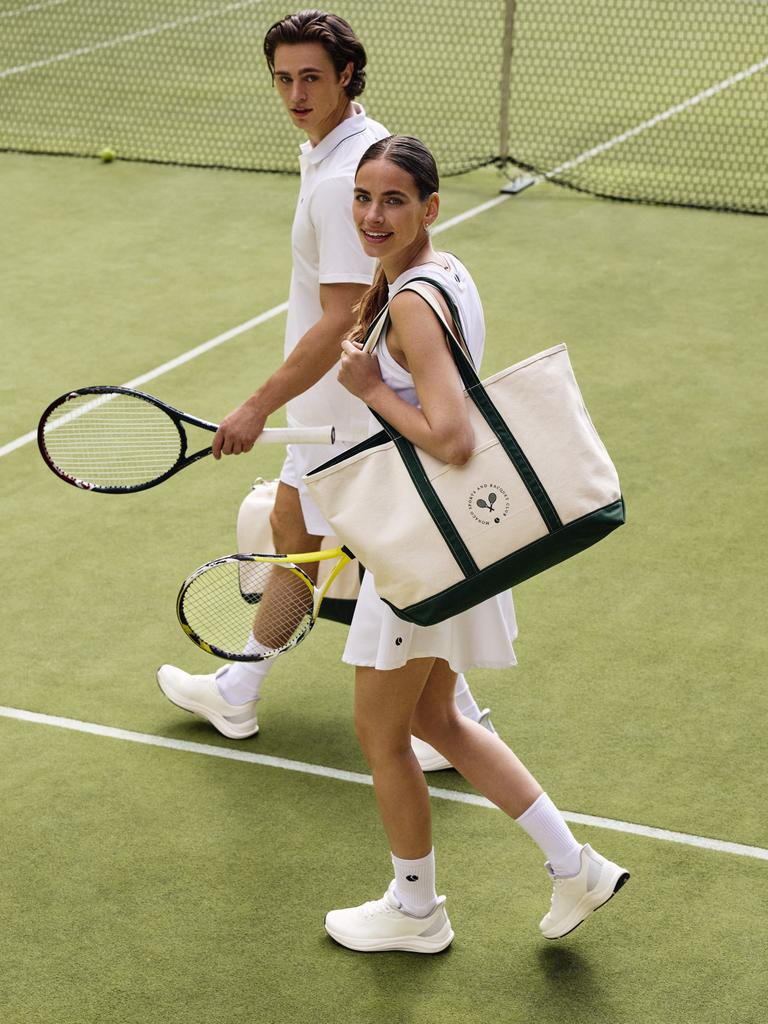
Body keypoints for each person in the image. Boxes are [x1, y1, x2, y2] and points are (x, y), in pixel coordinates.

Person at [155, 10, 492, 771]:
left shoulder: (346, 176)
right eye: (284, 78)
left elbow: (343, 316)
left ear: (347, 75)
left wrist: (256, 406)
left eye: (312, 76)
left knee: (380, 553)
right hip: (337, 411)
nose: (296, 93)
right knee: (298, 534)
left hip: (347, 412)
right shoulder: (342, 153)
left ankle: (452, 720)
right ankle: (239, 691)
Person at [323, 135, 630, 952]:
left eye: (392, 200)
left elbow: (452, 439)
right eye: (362, 197)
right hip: (458, 546)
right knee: (439, 719)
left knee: (385, 735)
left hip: (428, 557)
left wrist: (366, 391)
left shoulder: (414, 304)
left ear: (429, 207)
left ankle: (416, 912)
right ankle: (577, 869)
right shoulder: (442, 275)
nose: (372, 215)